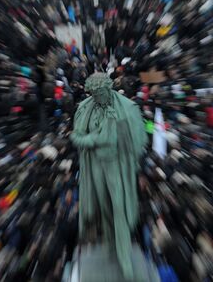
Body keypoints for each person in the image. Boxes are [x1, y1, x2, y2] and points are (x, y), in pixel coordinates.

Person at [70, 73, 147, 279]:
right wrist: (92, 140)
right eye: (93, 94)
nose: (97, 97)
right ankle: (110, 244)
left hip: (117, 166)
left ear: (109, 88)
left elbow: (139, 141)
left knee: (119, 207)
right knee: (104, 207)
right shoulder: (85, 108)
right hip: (96, 165)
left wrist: (128, 157)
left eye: (100, 93)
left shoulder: (127, 108)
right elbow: (75, 136)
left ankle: (123, 255)